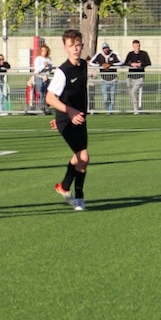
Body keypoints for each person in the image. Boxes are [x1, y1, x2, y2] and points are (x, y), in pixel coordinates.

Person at [46, 29, 90, 211]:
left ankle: (63, 187)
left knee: (78, 157)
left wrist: (77, 113)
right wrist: (67, 113)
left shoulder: (84, 65)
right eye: (71, 46)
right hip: (67, 119)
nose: (75, 49)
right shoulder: (62, 71)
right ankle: (79, 197)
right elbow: (50, 98)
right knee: (83, 156)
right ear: (65, 48)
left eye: (78, 45)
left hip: (79, 119)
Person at [90, 41, 120, 115]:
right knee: (105, 98)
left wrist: (110, 64)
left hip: (113, 79)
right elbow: (91, 62)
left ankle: (110, 112)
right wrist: (101, 65)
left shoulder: (114, 54)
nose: (105, 50)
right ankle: (108, 110)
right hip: (104, 80)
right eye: (104, 48)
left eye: (106, 48)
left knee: (112, 97)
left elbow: (121, 62)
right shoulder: (99, 55)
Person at [123, 39, 151, 115]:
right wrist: (131, 64)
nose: (137, 48)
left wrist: (140, 65)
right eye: (135, 46)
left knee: (133, 92)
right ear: (133, 46)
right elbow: (125, 63)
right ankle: (137, 108)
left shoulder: (144, 54)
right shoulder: (130, 54)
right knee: (132, 93)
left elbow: (148, 63)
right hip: (130, 77)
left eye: (138, 46)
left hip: (140, 77)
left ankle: (136, 110)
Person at [31, 44, 53, 114]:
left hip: (46, 78)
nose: (44, 52)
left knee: (47, 93)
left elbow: (50, 69)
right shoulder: (38, 59)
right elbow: (37, 70)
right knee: (41, 92)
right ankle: (40, 108)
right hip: (39, 77)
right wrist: (43, 65)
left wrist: (49, 68)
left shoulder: (49, 59)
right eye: (42, 50)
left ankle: (46, 107)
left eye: (45, 50)